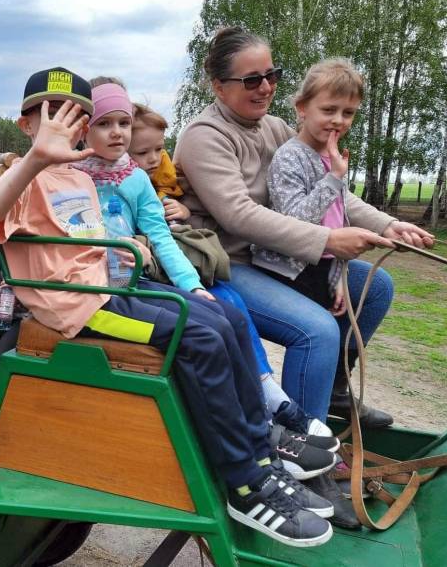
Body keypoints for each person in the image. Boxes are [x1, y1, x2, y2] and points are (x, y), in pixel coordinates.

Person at [0, 67, 335, 548]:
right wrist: (37, 158)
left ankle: (261, 456)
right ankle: (244, 484)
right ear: (26, 125)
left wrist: (125, 245)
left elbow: (86, 238)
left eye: (74, 115)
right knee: (198, 336)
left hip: (112, 287)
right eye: (49, 115)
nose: (62, 124)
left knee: (226, 317)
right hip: (78, 306)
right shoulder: (23, 178)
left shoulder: (78, 178)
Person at [173, 26, 433, 430]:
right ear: (219, 86)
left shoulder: (275, 128)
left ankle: (333, 391)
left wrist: (389, 225)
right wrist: (328, 240)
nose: (265, 87)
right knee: (318, 330)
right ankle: (302, 441)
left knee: (376, 287)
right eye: (251, 80)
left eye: (271, 75)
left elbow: (328, 193)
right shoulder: (205, 137)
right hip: (227, 264)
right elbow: (238, 215)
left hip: (273, 257)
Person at [74, 80, 337, 476]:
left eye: (123, 123)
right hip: (93, 290)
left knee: (225, 314)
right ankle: (251, 451)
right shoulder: (69, 177)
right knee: (203, 333)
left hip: (132, 281)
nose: (116, 133)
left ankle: (265, 420)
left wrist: (192, 286)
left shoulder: (135, 179)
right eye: (104, 123)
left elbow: (162, 237)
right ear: (84, 129)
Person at [252, 58, 365, 313]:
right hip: (288, 271)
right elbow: (296, 221)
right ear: (302, 108)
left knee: (370, 295)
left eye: (348, 113)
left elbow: (337, 219)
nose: (339, 120)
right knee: (323, 330)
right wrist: (334, 177)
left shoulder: (331, 157)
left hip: (323, 266)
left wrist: (340, 274)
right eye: (329, 110)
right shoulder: (290, 156)